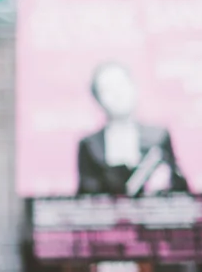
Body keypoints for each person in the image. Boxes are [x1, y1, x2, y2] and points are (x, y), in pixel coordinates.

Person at [76, 61, 188, 197]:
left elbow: (181, 191)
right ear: (97, 99)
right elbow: (85, 196)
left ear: (134, 86)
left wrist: (166, 182)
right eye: (107, 89)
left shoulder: (158, 137)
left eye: (121, 84)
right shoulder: (90, 144)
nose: (117, 94)